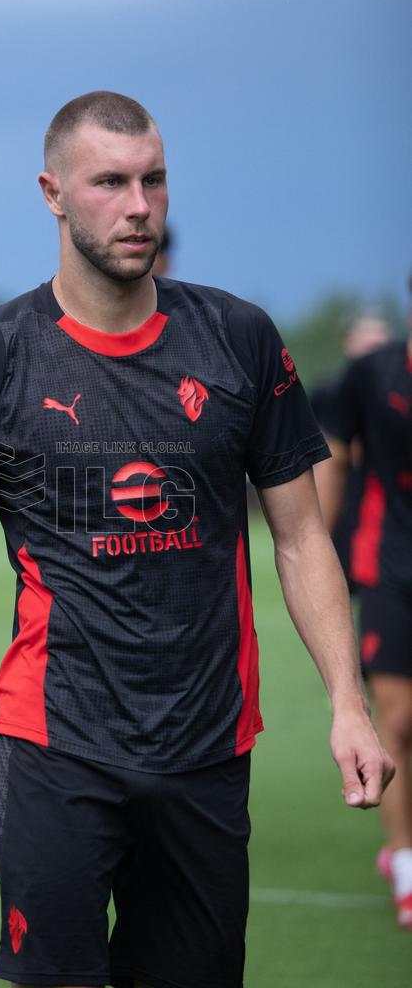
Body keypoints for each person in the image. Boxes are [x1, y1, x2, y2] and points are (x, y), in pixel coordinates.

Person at [0, 91, 394, 987]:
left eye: (154, 181)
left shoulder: (239, 341)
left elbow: (301, 538)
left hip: (208, 746)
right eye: (110, 183)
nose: (139, 207)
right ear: (52, 192)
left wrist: (348, 705)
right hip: (57, 744)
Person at [315, 299, 412, 930]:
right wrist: (317, 546)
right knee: (398, 720)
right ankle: (405, 867)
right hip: (390, 570)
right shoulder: (373, 373)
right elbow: (332, 451)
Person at [311, 314, 390, 588]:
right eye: (367, 347)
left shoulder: (398, 392)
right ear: (349, 343)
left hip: (382, 497)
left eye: (380, 347)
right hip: (340, 491)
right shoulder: (329, 390)